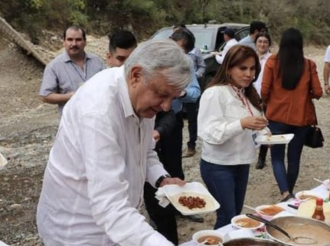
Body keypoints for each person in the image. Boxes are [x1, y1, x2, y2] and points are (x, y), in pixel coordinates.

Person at [36, 38, 194, 246]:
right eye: (162, 95)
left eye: (172, 98)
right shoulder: (98, 111)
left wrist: (162, 179)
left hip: (119, 222)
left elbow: (145, 150)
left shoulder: (142, 95)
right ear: (136, 75)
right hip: (77, 231)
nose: (166, 107)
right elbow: (109, 205)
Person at [198, 45, 268, 229]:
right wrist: (241, 124)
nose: (249, 74)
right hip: (218, 165)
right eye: (243, 68)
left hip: (241, 163)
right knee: (227, 217)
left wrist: (264, 133)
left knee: (235, 215)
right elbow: (208, 132)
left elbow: (253, 128)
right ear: (229, 68)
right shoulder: (215, 93)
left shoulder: (248, 93)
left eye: (252, 69)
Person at [143, 28, 201, 245]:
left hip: (172, 120)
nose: (179, 56)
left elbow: (195, 92)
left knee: (173, 167)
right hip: (153, 119)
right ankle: (156, 210)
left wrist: (181, 92)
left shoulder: (185, 64)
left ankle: (179, 206)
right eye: (178, 50)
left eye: (183, 52)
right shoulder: (151, 59)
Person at [261, 28, 323, 202]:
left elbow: (264, 91)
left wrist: (270, 101)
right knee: (294, 157)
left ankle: (285, 193)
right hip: (301, 119)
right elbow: (318, 92)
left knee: (277, 157)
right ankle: (289, 193)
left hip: (276, 118)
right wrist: (304, 95)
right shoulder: (309, 64)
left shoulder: (272, 62)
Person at [39, 25, 105, 116]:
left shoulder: (97, 61)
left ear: (85, 42)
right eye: (70, 39)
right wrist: (70, 96)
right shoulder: (54, 66)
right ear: (64, 42)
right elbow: (45, 96)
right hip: (71, 124)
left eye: (78, 40)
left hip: (98, 119)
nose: (74, 44)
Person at [173, 23, 206, 157]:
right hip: (154, 117)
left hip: (179, 104)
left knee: (192, 118)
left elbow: (202, 67)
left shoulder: (188, 60)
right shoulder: (153, 59)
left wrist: (185, 91)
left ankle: (191, 144)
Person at [253, 32, 272, 170]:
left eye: (265, 42)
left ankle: (262, 157)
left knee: (264, 125)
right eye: (260, 41)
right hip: (251, 96)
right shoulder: (251, 58)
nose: (262, 44)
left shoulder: (272, 59)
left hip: (266, 97)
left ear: (269, 44)